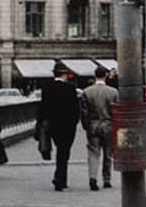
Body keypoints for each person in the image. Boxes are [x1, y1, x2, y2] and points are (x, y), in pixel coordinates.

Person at [37, 61, 80, 191]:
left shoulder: (47, 88)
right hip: (67, 126)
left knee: (59, 150)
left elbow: (43, 108)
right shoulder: (70, 89)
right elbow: (75, 109)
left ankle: (60, 178)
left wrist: (40, 124)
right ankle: (60, 179)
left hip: (53, 125)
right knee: (64, 152)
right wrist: (74, 122)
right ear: (64, 75)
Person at [81, 67, 118, 190]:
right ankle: (106, 179)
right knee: (108, 153)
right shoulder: (113, 92)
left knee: (93, 153)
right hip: (108, 124)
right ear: (106, 75)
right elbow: (116, 112)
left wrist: (86, 125)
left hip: (93, 124)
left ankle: (93, 178)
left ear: (95, 75)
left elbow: (84, 112)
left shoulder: (87, 92)